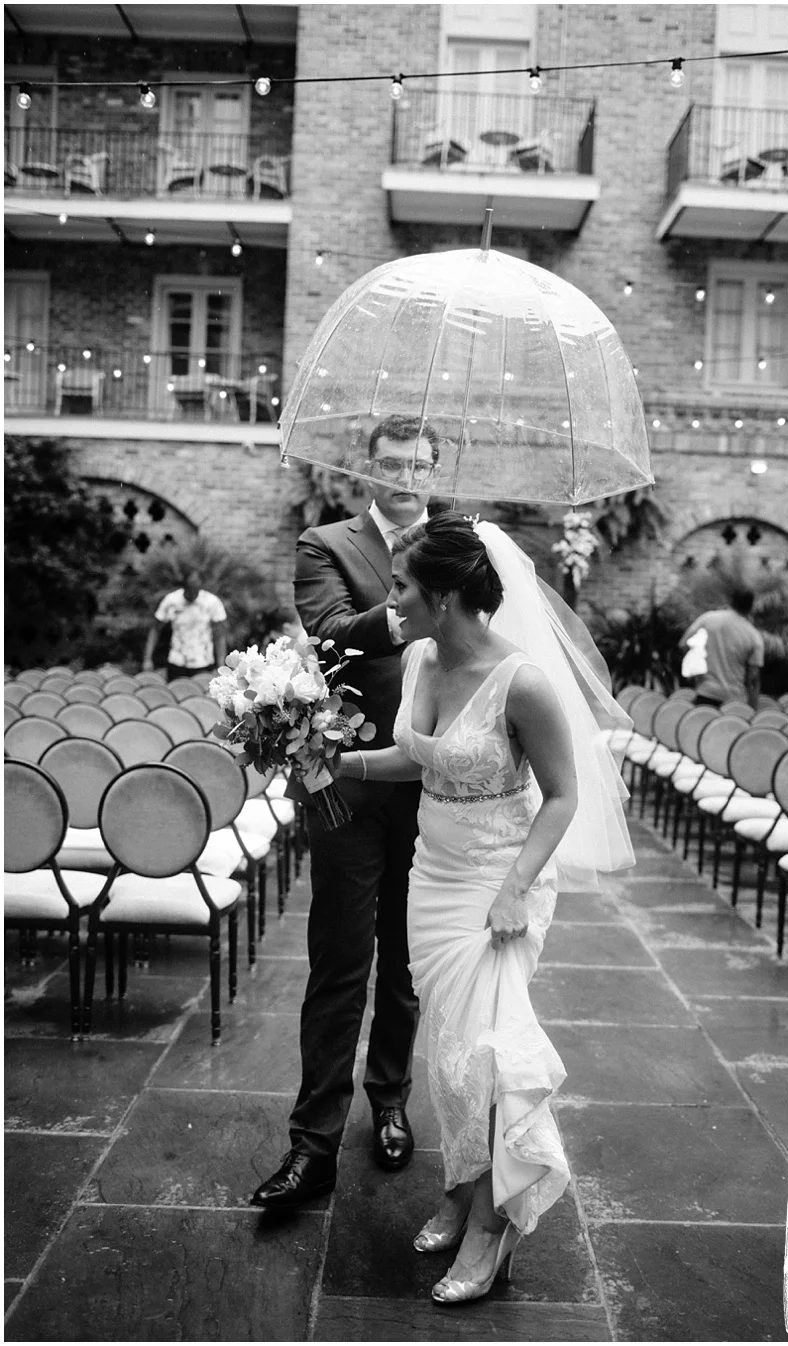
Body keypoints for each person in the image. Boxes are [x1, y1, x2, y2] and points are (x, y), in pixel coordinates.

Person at [330, 512, 634, 1304]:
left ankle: (493, 1226)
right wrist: (338, 762)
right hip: (432, 876)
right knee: (451, 1051)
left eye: (401, 588)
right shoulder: (425, 656)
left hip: (501, 883)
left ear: (449, 595)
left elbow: (564, 798)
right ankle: (462, 1183)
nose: (389, 601)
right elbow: (416, 755)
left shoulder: (523, 681)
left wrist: (511, 893)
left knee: (493, 1054)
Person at [251, 413, 441, 1210]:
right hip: (349, 783)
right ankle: (313, 1142)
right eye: (390, 462)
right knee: (338, 959)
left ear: (435, 469)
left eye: (417, 463)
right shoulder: (326, 544)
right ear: (367, 470)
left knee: (405, 959)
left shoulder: (462, 543)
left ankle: (390, 1100)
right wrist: (410, 612)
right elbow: (329, 634)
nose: (403, 475)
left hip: (435, 785)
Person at [681, 588, 764, 709]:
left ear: (731, 602)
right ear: (751, 608)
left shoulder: (708, 619)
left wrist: (696, 672)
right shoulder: (753, 635)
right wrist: (752, 709)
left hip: (706, 693)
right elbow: (753, 679)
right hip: (736, 701)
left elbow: (684, 644)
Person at [143, 569, 226, 683]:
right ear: (184, 586)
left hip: (203, 662)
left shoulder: (212, 602)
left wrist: (221, 666)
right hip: (177, 661)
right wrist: (147, 659)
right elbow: (155, 629)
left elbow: (220, 635)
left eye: (195, 589)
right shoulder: (171, 601)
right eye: (190, 589)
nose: (192, 594)